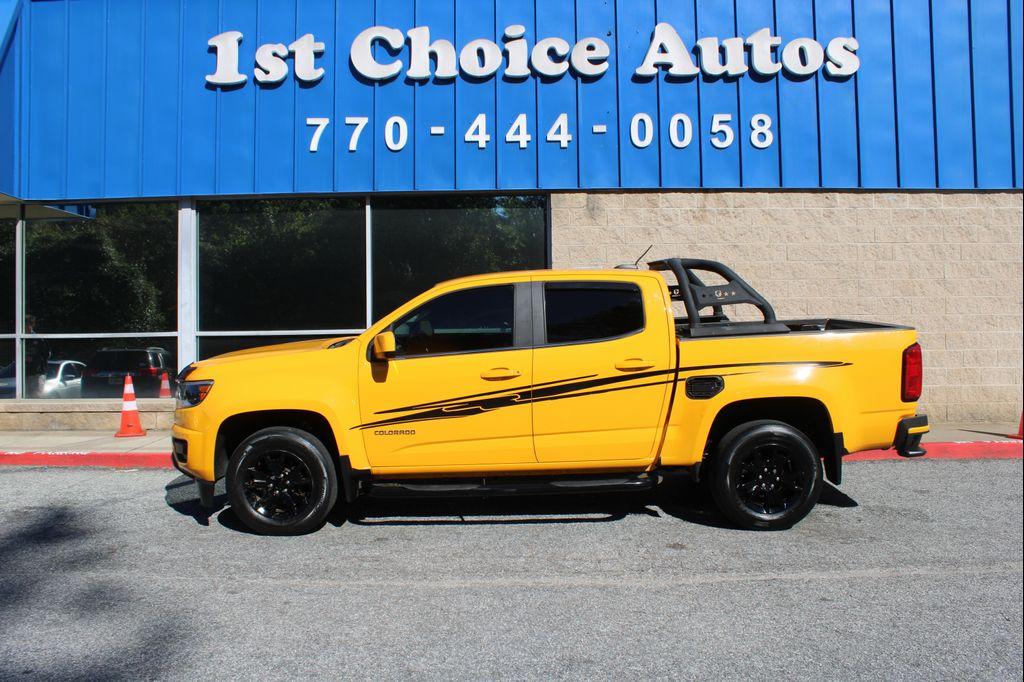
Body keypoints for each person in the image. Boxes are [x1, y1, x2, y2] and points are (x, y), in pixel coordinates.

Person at [24, 315, 51, 398]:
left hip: (37, 372)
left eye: (27, 324)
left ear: (32, 325)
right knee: (26, 395)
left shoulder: (39, 339)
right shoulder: (20, 339)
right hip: (25, 372)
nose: (25, 327)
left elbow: (47, 354)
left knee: (37, 395)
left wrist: (35, 360)